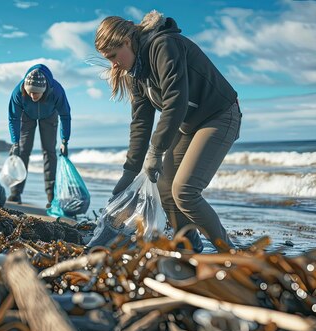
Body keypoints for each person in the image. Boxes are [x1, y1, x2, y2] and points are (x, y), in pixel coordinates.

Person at [94, 11, 241, 252]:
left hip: (220, 115)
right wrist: (129, 172)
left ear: (127, 41)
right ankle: (189, 246)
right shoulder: (135, 74)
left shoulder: (163, 45)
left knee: (184, 191)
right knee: (164, 190)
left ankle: (230, 252)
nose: (114, 64)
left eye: (113, 55)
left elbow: (176, 101)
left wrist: (156, 151)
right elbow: (140, 122)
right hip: (187, 123)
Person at [7, 64, 72, 207]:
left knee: (49, 152)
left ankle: (51, 197)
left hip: (49, 115)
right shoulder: (18, 92)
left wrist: (64, 141)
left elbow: (65, 115)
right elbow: (13, 118)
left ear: (44, 90)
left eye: (36, 93)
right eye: (29, 93)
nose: (32, 96)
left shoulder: (57, 91)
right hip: (27, 115)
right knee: (22, 151)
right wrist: (15, 142)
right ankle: (15, 192)